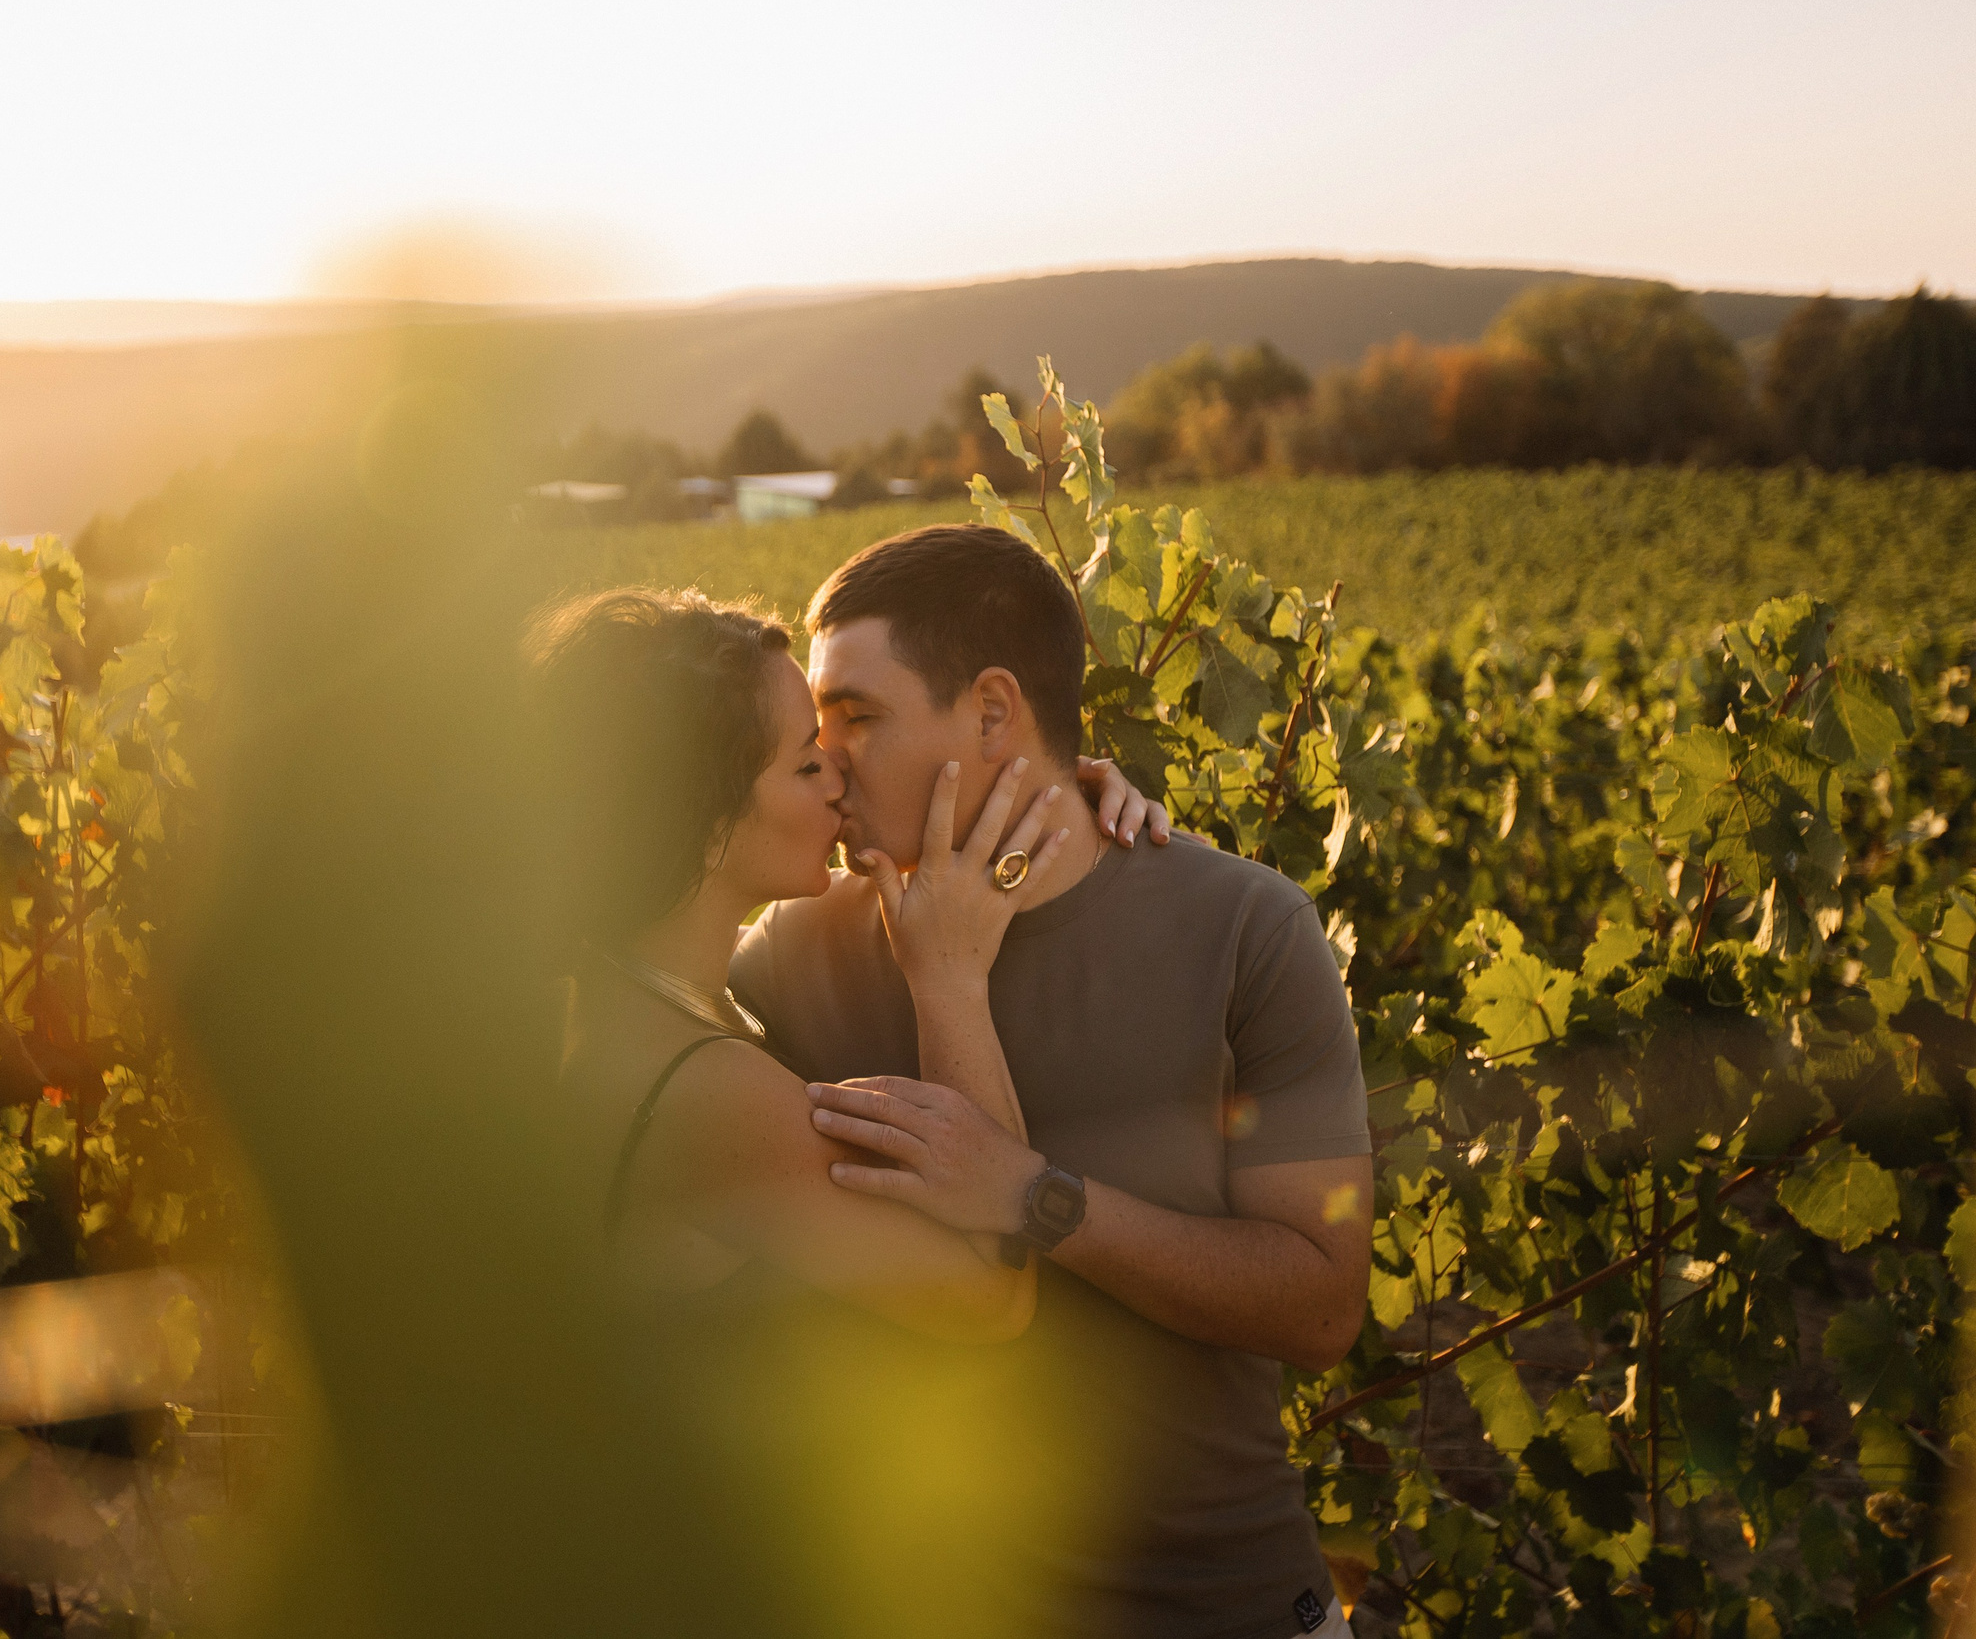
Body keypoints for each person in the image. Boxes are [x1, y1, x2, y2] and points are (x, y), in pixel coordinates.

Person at [730, 524, 1376, 1639]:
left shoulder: (1245, 930)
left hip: (1224, 1607)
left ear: (993, 712)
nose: (827, 763)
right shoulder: (790, 954)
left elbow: (1321, 1303)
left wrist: (1039, 1197)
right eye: (816, 732)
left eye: (858, 717)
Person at [527, 586, 1173, 1339]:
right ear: (703, 821)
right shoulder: (706, 1094)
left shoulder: (615, 993)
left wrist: (1052, 788)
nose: (839, 780)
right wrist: (950, 981)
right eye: (807, 765)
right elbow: (993, 1302)